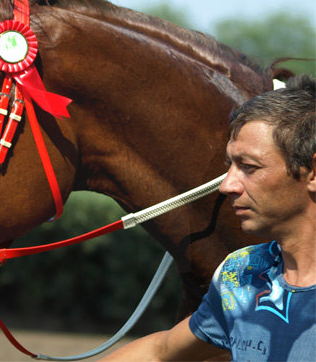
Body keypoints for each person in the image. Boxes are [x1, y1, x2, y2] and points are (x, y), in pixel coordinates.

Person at [102, 74, 315, 361]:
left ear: (312, 172)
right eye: (231, 165)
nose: (227, 185)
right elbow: (160, 351)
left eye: (248, 167)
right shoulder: (242, 274)